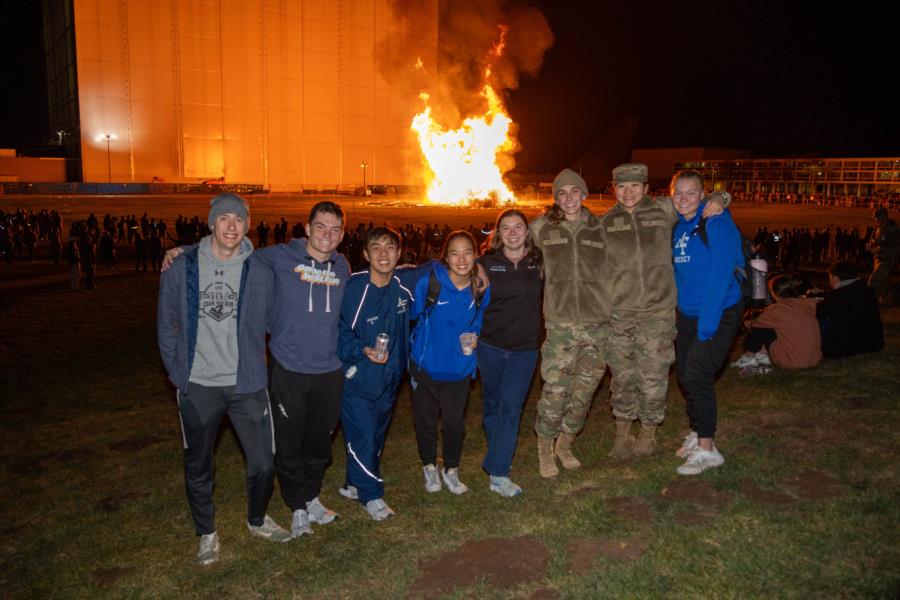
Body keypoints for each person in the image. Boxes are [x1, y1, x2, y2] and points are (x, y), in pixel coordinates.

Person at [157, 193, 290, 566]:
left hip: (246, 382)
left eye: (239, 219)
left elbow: (277, 315)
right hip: (198, 384)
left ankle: (258, 519)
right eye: (224, 219)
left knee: (264, 461)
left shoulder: (260, 269)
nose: (232, 226)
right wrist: (177, 373)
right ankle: (207, 533)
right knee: (198, 464)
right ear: (211, 222)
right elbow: (166, 324)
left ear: (248, 225)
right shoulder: (181, 266)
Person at [600, 164, 727, 460]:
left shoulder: (664, 210)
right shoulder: (605, 222)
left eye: (635, 186)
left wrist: (722, 199)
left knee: (653, 376)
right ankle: (622, 434)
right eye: (622, 186)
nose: (628, 192)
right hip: (619, 313)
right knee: (622, 376)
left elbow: (698, 197)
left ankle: (648, 434)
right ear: (614, 188)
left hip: (657, 313)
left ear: (646, 187)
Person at [252, 201, 351, 538]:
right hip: (288, 367)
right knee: (289, 444)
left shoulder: (343, 267)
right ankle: (296, 508)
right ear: (307, 228)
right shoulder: (280, 256)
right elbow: (231, 248)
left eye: (335, 229)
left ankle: (311, 497)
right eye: (320, 227)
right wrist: (184, 251)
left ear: (342, 234)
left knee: (320, 444)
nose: (327, 235)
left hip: (328, 370)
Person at [336, 227, 429, 519]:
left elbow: (437, 267)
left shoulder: (403, 286)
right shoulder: (353, 289)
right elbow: (336, 332)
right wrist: (362, 350)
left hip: (390, 379)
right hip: (359, 376)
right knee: (363, 433)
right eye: (376, 248)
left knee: (375, 435)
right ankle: (371, 494)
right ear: (365, 254)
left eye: (390, 247)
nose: (383, 254)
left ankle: (353, 483)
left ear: (400, 253)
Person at [529, 169, 607, 478]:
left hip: (597, 325)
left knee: (583, 394)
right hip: (561, 326)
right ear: (555, 199)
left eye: (575, 192)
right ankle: (545, 450)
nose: (569, 198)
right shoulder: (543, 228)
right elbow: (510, 239)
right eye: (562, 193)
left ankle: (565, 444)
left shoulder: (600, 229)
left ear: (584, 194)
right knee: (556, 391)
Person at [670, 170, 744, 475]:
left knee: (698, 372)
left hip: (718, 310)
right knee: (685, 375)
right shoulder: (679, 227)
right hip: (688, 313)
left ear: (703, 195)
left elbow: (720, 277)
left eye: (691, 193)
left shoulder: (718, 222)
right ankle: (695, 431)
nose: (684, 199)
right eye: (678, 193)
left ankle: (707, 448)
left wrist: (707, 328)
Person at [409, 231, 490, 494]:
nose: (461, 259)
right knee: (426, 422)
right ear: (445, 256)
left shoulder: (480, 287)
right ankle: (429, 466)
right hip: (426, 366)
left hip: (460, 368)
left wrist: (475, 334)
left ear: (476, 255)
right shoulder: (430, 283)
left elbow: (480, 316)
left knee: (454, 423)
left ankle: (451, 469)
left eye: (468, 252)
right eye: (454, 252)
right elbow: (412, 315)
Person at [476, 209, 542, 495]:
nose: (513, 232)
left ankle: (498, 471)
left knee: (511, 408)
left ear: (527, 232)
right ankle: (499, 451)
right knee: (492, 407)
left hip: (524, 350)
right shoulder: (485, 263)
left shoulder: (540, 263)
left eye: (518, 227)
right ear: (498, 233)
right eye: (506, 227)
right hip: (490, 346)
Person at [731, 275, 821, 372]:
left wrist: (748, 322)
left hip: (792, 361)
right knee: (770, 325)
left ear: (773, 293)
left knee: (759, 326)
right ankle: (762, 355)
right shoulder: (804, 305)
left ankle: (748, 358)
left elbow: (755, 324)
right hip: (814, 359)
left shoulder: (777, 310)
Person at [817, 260, 884, 358]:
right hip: (873, 344)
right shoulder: (868, 291)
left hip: (845, 348)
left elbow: (819, 311)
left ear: (835, 278)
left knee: (819, 319)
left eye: (830, 277)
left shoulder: (838, 295)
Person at [867, 207, 899, 304]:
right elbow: (875, 241)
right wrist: (871, 245)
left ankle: (874, 302)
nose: (875, 219)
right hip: (878, 259)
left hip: (887, 260)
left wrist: (879, 251)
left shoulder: (893, 230)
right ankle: (891, 295)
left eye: (877, 217)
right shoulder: (878, 228)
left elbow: (897, 248)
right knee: (882, 281)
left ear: (884, 217)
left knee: (872, 281)